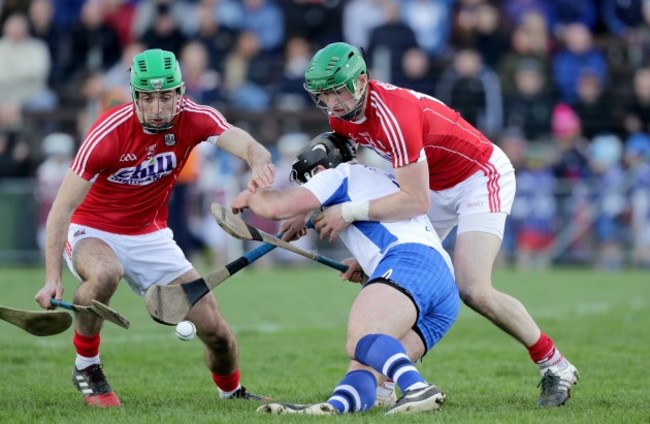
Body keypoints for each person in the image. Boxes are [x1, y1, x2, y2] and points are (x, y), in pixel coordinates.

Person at [295, 42, 579, 407]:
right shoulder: (342, 119)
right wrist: (373, 255)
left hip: (478, 175)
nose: (332, 102)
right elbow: (377, 180)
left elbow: (415, 200)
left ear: (362, 80)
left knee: (473, 287)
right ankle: (383, 383)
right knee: (396, 271)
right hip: (429, 183)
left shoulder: (394, 113)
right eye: (324, 94)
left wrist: (347, 213)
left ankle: (554, 365)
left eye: (338, 90)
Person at [33, 48, 275, 408]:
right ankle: (87, 366)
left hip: (151, 236)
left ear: (180, 93)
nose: (158, 107)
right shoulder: (107, 134)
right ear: (135, 97)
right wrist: (53, 277)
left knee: (216, 330)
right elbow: (62, 209)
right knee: (105, 273)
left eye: (166, 97)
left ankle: (232, 393)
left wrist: (258, 160)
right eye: (148, 98)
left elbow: (243, 142)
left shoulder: (194, 117)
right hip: (92, 229)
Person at [231, 132, 460, 415]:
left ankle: (416, 387)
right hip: (443, 286)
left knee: (360, 339)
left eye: (308, 182)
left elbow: (277, 207)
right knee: (367, 364)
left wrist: (252, 197)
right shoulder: (375, 177)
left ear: (318, 169)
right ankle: (333, 407)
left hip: (410, 261)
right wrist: (365, 261)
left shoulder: (339, 173)